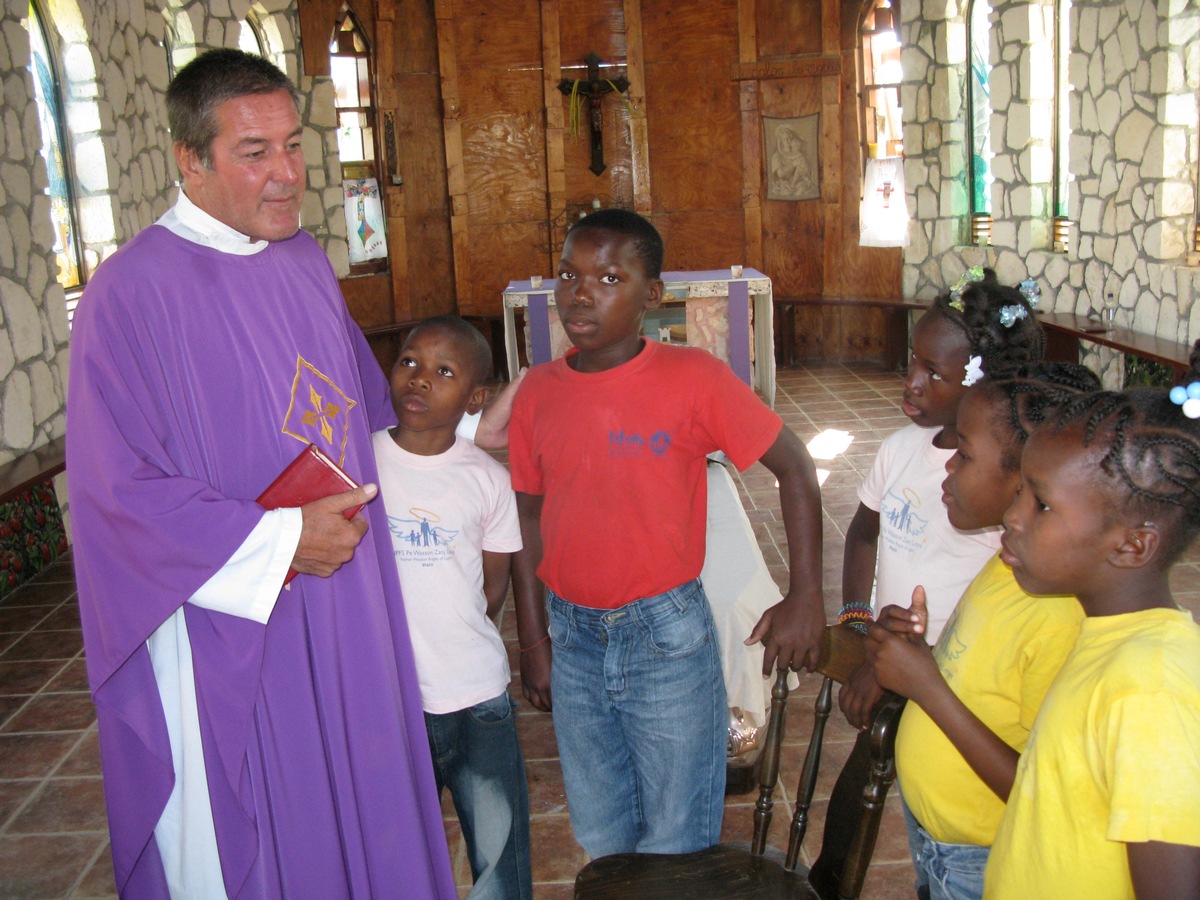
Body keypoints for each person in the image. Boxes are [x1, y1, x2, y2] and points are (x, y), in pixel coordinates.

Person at [67, 49, 516, 898]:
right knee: (271, 836)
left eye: (291, 149)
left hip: (344, 599)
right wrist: (277, 539)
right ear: (189, 160)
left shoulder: (303, 259)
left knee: (360, 796)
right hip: (233, 623)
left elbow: (360, 419)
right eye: (253, 153)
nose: (285, 177)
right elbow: (114, 500)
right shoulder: (129, 297)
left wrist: (468, 451)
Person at [507, 208, 826, 857]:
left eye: (608, 277)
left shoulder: (694, 379)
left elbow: (794, 468)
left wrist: (806, 596)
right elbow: (529, 518)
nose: (580, 292)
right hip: (572, 640)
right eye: (569, 274)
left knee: (678, 832)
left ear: (651, 295)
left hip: (665, 638)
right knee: (601, 830)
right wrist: (534, 636)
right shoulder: (538, 392)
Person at [864, 365, 1097, 900]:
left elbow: (1038, 791)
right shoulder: (1006, 565)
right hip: (938, 836)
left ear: (1023, 483)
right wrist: (919, 653)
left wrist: (925, 685)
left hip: (980, 858)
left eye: (965, 454)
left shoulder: (1059, 615)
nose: (948, 461)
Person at [979, 369, 1200, 897]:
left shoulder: (1149, 692)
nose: (1011, 516)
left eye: (1042, 504)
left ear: (1131, 546)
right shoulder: (1106, 635)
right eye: (1020, 494)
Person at [837, 268, 1045, 728]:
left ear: (982, 383)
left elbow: (1003, 608)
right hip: (891, 656)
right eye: (914, 361)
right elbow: (863, 533)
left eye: (933, 372)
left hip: (953, 676)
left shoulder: (997, 489)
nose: (912, 381)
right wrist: (857, 622)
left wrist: (907, 664)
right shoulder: (898, 450)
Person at [372, 316, 532, 899]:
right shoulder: (360, 465)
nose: (419, 380)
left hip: (475, 698)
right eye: (409, 362)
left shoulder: (487, 480)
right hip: (387, 700)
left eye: (444, 372)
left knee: (498, 852)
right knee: (388, 847)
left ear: (476, 396)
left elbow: (493, 590)